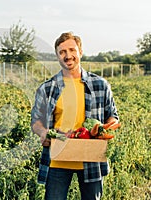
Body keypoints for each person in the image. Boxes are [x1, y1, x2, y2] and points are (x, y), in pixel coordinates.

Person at [31, 32, 119, 200]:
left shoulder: (100, 84)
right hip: (57, 158)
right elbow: (36, 121)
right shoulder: (47, 88)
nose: (68, 55)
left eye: (72, 50)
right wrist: (43, 132)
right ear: (57, 55)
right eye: (62, 52)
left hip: (90, 158)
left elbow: (113, 116)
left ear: (80, 52)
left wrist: (103, 129)